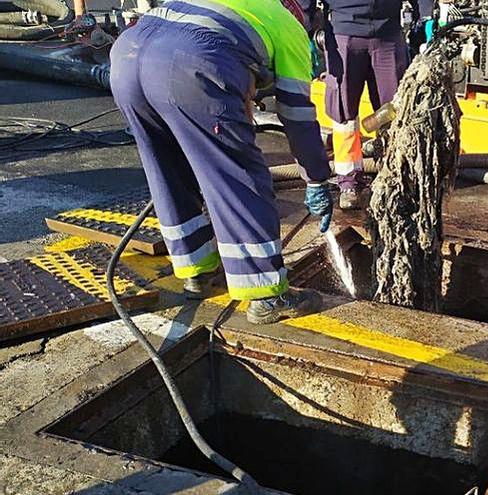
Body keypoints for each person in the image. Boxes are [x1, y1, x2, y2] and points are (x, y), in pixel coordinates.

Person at [110, 0, 335, 324]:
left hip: (127, 58)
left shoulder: (243, 7)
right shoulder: (289, 28)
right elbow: (298, 118)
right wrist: (316, 178)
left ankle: (197, 273)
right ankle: (266, 295)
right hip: (191, 64)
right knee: (238, 174)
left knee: (169, 171)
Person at [299, 0, 432, 209]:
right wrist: (302, 27)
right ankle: (348, 182)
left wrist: (426, 16)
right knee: (344, 113)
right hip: (343, 35)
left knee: (394, 111)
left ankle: (394, 176)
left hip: (388, 35)